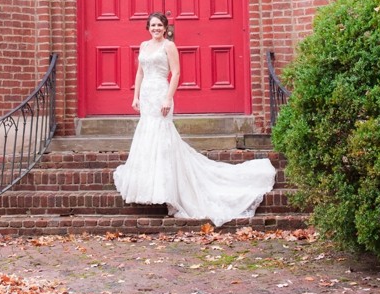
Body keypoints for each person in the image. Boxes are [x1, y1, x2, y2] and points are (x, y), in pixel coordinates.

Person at [113, 12, 277, 226]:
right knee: (147, 135)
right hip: (146, 96)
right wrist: (135, 96)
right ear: (148, 27)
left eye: (159, 25)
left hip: (161, 94)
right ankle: (147, 186)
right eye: (152, 25)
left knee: (162, 138)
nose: (156, 29)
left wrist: (168, 98)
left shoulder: (169, 46)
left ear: (165, 28)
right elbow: (140, 73)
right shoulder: (144, 46)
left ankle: (166, 189)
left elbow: (177, 73)